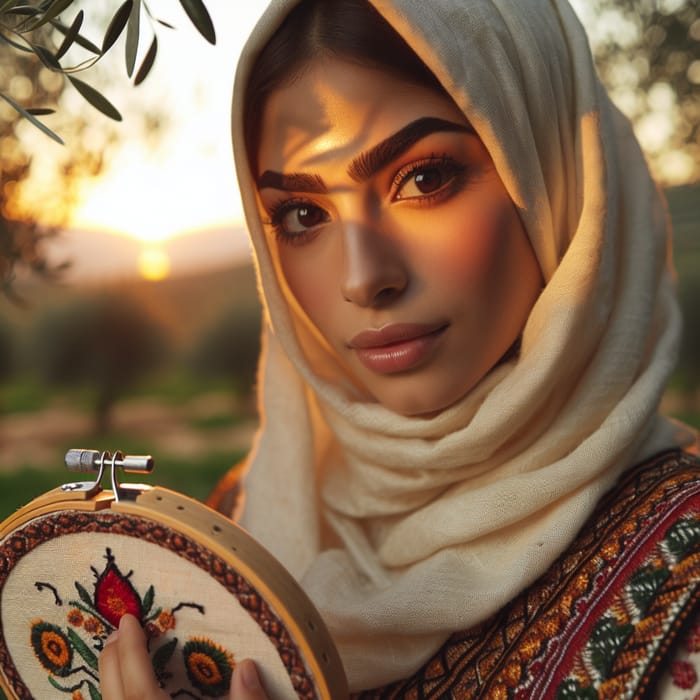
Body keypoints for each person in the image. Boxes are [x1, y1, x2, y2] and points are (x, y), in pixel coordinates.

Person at [99, 0, 700, 697]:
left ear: (553, 171)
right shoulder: (240, 519)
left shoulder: (681, 575)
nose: (363, 279)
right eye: (302, 215)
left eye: (424, 177)